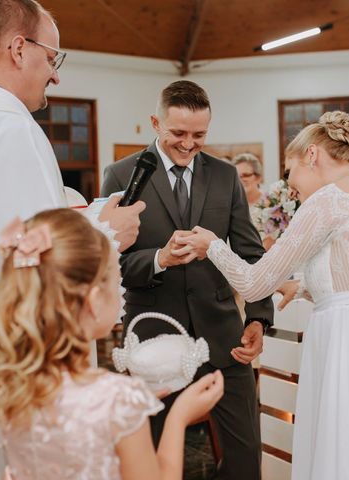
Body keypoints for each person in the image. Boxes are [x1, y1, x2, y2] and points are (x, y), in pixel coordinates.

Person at [0, 1, 144, 479]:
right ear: (18, 48)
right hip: (1, 377)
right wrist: (104, 236)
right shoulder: (10, 129)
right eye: (52, 58)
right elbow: (26, 272)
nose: (55, 76)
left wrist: (81, 213)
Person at [175, 111, 349, 480]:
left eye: (289, 170)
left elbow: (254, 283)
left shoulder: (329, 200)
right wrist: (308, 286)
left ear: (312, 155)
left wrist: (212, 245)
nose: (290, 185)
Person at [101, 80, 273, 479]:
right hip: (155, 343)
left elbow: (251, 253)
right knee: (159, 456)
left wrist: (259, 318)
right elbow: (111, 263)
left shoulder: (226, 176)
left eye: (199, 135)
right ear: (155, 123)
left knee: (245, 456)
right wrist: (159, 258)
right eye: (178, 133)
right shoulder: (121, 174)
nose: (188, 144)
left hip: (223, 338)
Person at [0, 208, 223, 480]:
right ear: (94, 301)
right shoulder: (119, 401)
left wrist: (129, 412)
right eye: (115, 277)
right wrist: (178, 417)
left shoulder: (16, 388)